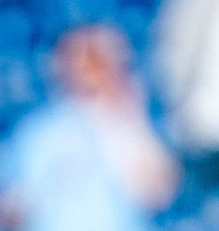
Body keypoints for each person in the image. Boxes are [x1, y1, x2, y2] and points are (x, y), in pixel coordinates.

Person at [0, 25, 181, 231]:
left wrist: (120, 117)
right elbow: (16, 204)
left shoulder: (132, 123)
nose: (91, 71)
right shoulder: (37, 131)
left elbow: (159, 193)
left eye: (98, 61)